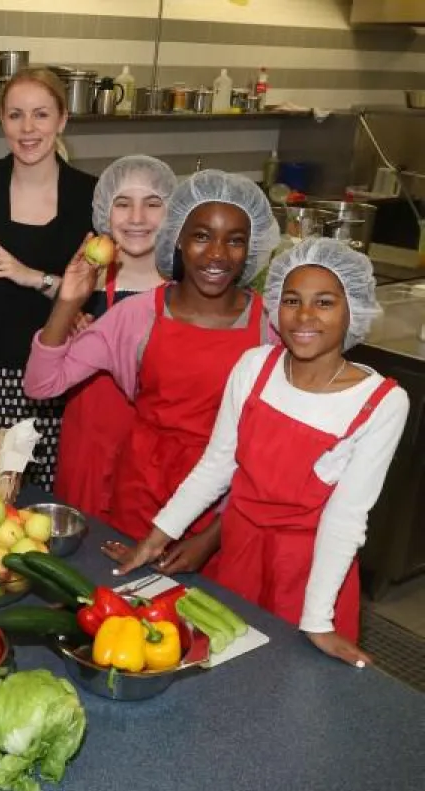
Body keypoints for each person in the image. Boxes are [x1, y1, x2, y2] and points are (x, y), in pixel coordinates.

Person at [111, 239, 409, 668]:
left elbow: (345, 518)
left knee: (290, 694)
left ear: (352, 311)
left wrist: (318, 620)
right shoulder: (255, 366)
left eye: (324, 302)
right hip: (238, 557)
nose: (304, 316)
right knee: (226, 678)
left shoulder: (381, 402)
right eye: (292, 300)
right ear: (275, 307)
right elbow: (216, 466)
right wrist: (154, 540)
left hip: (309, 575)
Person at [24, 170, 280, 573]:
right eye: (201, 236)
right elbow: (41, 385)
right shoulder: (136, 315)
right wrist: (68, 301)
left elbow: (269, 454)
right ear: (176, 237)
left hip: (224, 508)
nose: (217, 254)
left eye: (235, 240)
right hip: (139, 494)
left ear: (252, 248)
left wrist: (213, 535)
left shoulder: (270, 327)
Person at [0, 68, 97, 492]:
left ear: (63, 119)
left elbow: (91, 297)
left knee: (51, 501)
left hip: (61, 379)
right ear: (2, 121)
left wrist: (33, 277)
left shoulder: (90, 194)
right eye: (16, 115)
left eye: (41, 114)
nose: (28, 128)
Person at [52, 155, 176, 521]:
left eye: (153, 204)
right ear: (106, 212)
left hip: (158, 469)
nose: (137, 218)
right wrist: (69, 328)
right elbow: (46, 373)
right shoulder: (85, 284)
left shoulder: (187, 294)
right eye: (122, 204)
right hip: (87, 459)